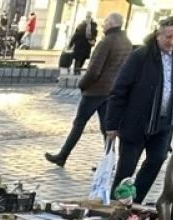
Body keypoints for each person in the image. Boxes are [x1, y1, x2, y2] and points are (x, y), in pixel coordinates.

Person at [104, 15, 173, 202]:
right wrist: (111, 125)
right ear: (158, 34)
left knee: (157, 160)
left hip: (164, 123)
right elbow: (119, 89)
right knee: (126, 169)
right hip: (136, 122)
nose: (172, 41)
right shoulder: (141, 56)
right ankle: (115, 206)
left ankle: (135, 202)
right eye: (168, 36)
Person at [46, 14, 131, 167]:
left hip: (96, 90)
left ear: (111, 23)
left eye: (105, 22)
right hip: (111, 91)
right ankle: (109, 162)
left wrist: (82, 84)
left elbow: (94, 70)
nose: (103, 25)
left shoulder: (106, 42)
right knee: (107, 129)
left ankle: (63, 155)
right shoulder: (126, 42)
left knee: (79, 123)